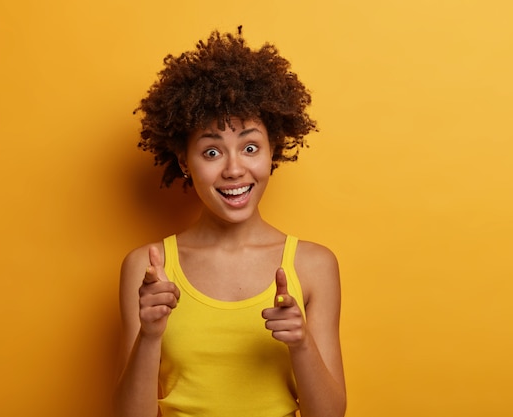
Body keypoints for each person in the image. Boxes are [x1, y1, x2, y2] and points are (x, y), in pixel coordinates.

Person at [115, 28, 346, 417]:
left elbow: (330, 414)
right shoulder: (147, 268)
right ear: (184, 161)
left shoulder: (313, 265)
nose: (235, 169)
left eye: (250, 147)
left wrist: (301, 343)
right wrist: (150, 336)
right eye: (211, 152)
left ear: (274, 148)